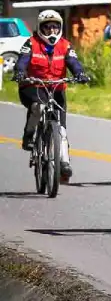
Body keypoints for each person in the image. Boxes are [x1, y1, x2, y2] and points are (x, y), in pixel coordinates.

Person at [14, 10, 90, 180]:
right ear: (40, 28)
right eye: (47, 28)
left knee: (61, 129)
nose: (52, 31)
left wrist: (80, 73)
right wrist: (20, 72)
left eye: (55, 27)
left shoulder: (65, 45)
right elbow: (22, 61)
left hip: (57, 88)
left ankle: (64, 162)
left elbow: (73, 62)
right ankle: (29, 136)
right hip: (33, 86)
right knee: (38, 107)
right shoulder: (31, 43)